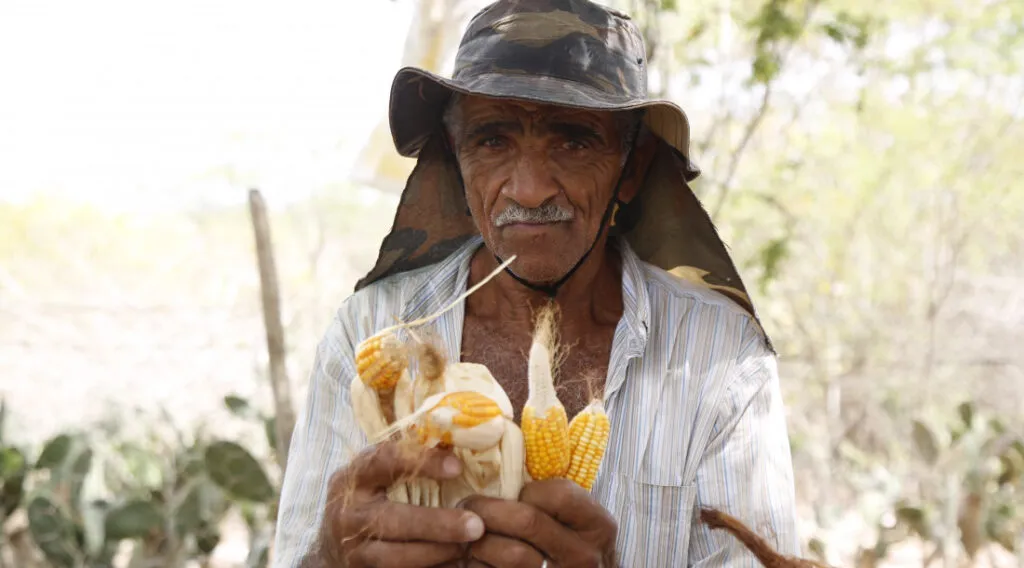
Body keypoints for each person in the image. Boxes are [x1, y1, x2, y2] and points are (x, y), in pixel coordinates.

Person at [272, 0, 800, 566]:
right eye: (492, 141)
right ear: (456, 157)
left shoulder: (721, 360)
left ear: (632, 169)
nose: (528, 190)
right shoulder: (366, 330)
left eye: (573, 142)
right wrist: (330, 554)